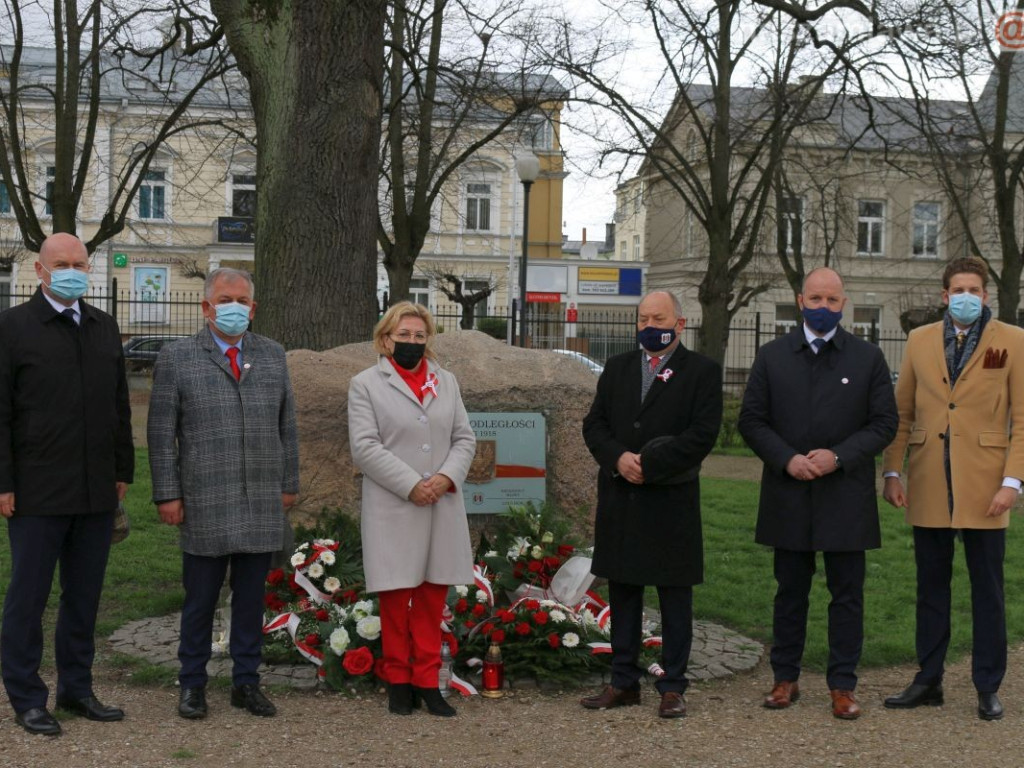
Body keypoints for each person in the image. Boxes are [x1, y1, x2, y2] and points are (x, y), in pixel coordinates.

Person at [737, 267, 897, 720]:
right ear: (799, 299)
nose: (823, 307)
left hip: (845, 495)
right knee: (790, 592)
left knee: (847, 595)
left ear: (843, 304)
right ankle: (784, 677)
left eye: (832, 300)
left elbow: (884, 423)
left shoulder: (867, 358)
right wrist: (787, 458)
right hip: (789, 492)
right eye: (815, 298)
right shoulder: (772, 356)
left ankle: (843, 685)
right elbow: (751, 421)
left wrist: (839, 457)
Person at [148, 267, 299, 720]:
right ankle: (192, 684)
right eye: (224, 299)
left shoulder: (272, 354)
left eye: (242, 300)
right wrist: (166, 494)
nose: (234, 307)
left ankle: (246, 683)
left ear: (253, 308)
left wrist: (289, 482)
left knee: (251, 601)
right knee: (200, 600)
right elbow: (160, 434)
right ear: (206, 307)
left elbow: (286, 425)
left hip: (261, 499)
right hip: (204, 498)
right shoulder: (177, 356)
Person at [0, 233, 133, 736]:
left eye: (80, 262)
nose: (72, 270)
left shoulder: (103, 326)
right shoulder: (12, 328)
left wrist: (123, 471)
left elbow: (119, 407)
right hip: (36, 491)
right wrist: (3, 482)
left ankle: (77, 689)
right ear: (40, 270)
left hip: (96, 489)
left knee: (84, 597)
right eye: (62, 263)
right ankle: (27, 696)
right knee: (28, 598)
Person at [882, 256, 1024, 721]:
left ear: (985, 296)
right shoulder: (919, 340)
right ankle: (929, 679)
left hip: (987, 487)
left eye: (974, 290)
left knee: (988, 590)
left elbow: (1022, 421)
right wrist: (892, 471)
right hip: (927, 482)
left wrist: (1012, 483)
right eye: (957, 289)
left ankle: (987, 684)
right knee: (930, 589)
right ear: (945, 295)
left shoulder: (1014, 341)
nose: (966, 296)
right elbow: (902, 415)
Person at [580, 290, 722, 719]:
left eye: (658, 318)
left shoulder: (701, 371)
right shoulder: (619, 368)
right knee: (623, 592)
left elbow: (702, 434)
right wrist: (619, 459)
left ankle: (673, 685)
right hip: (622, 497)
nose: (649, 326)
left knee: (675, 596)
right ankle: (623, 681)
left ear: (679, 324)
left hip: (670, 500)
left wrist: (650, 463)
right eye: (643, 319)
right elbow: (595, 425)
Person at [348, 302, 476, 717]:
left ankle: (427, 681)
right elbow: (365, 447)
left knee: (430, 598)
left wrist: (445, 478)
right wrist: (411, 485)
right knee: (396, 597)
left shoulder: (447, 381)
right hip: (394, 505)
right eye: (403, 335)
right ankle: (398, 680)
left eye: (420, 336)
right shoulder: (366, 384)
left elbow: (464, 438)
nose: (412, 343)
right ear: (386, 339)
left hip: (441, 502)